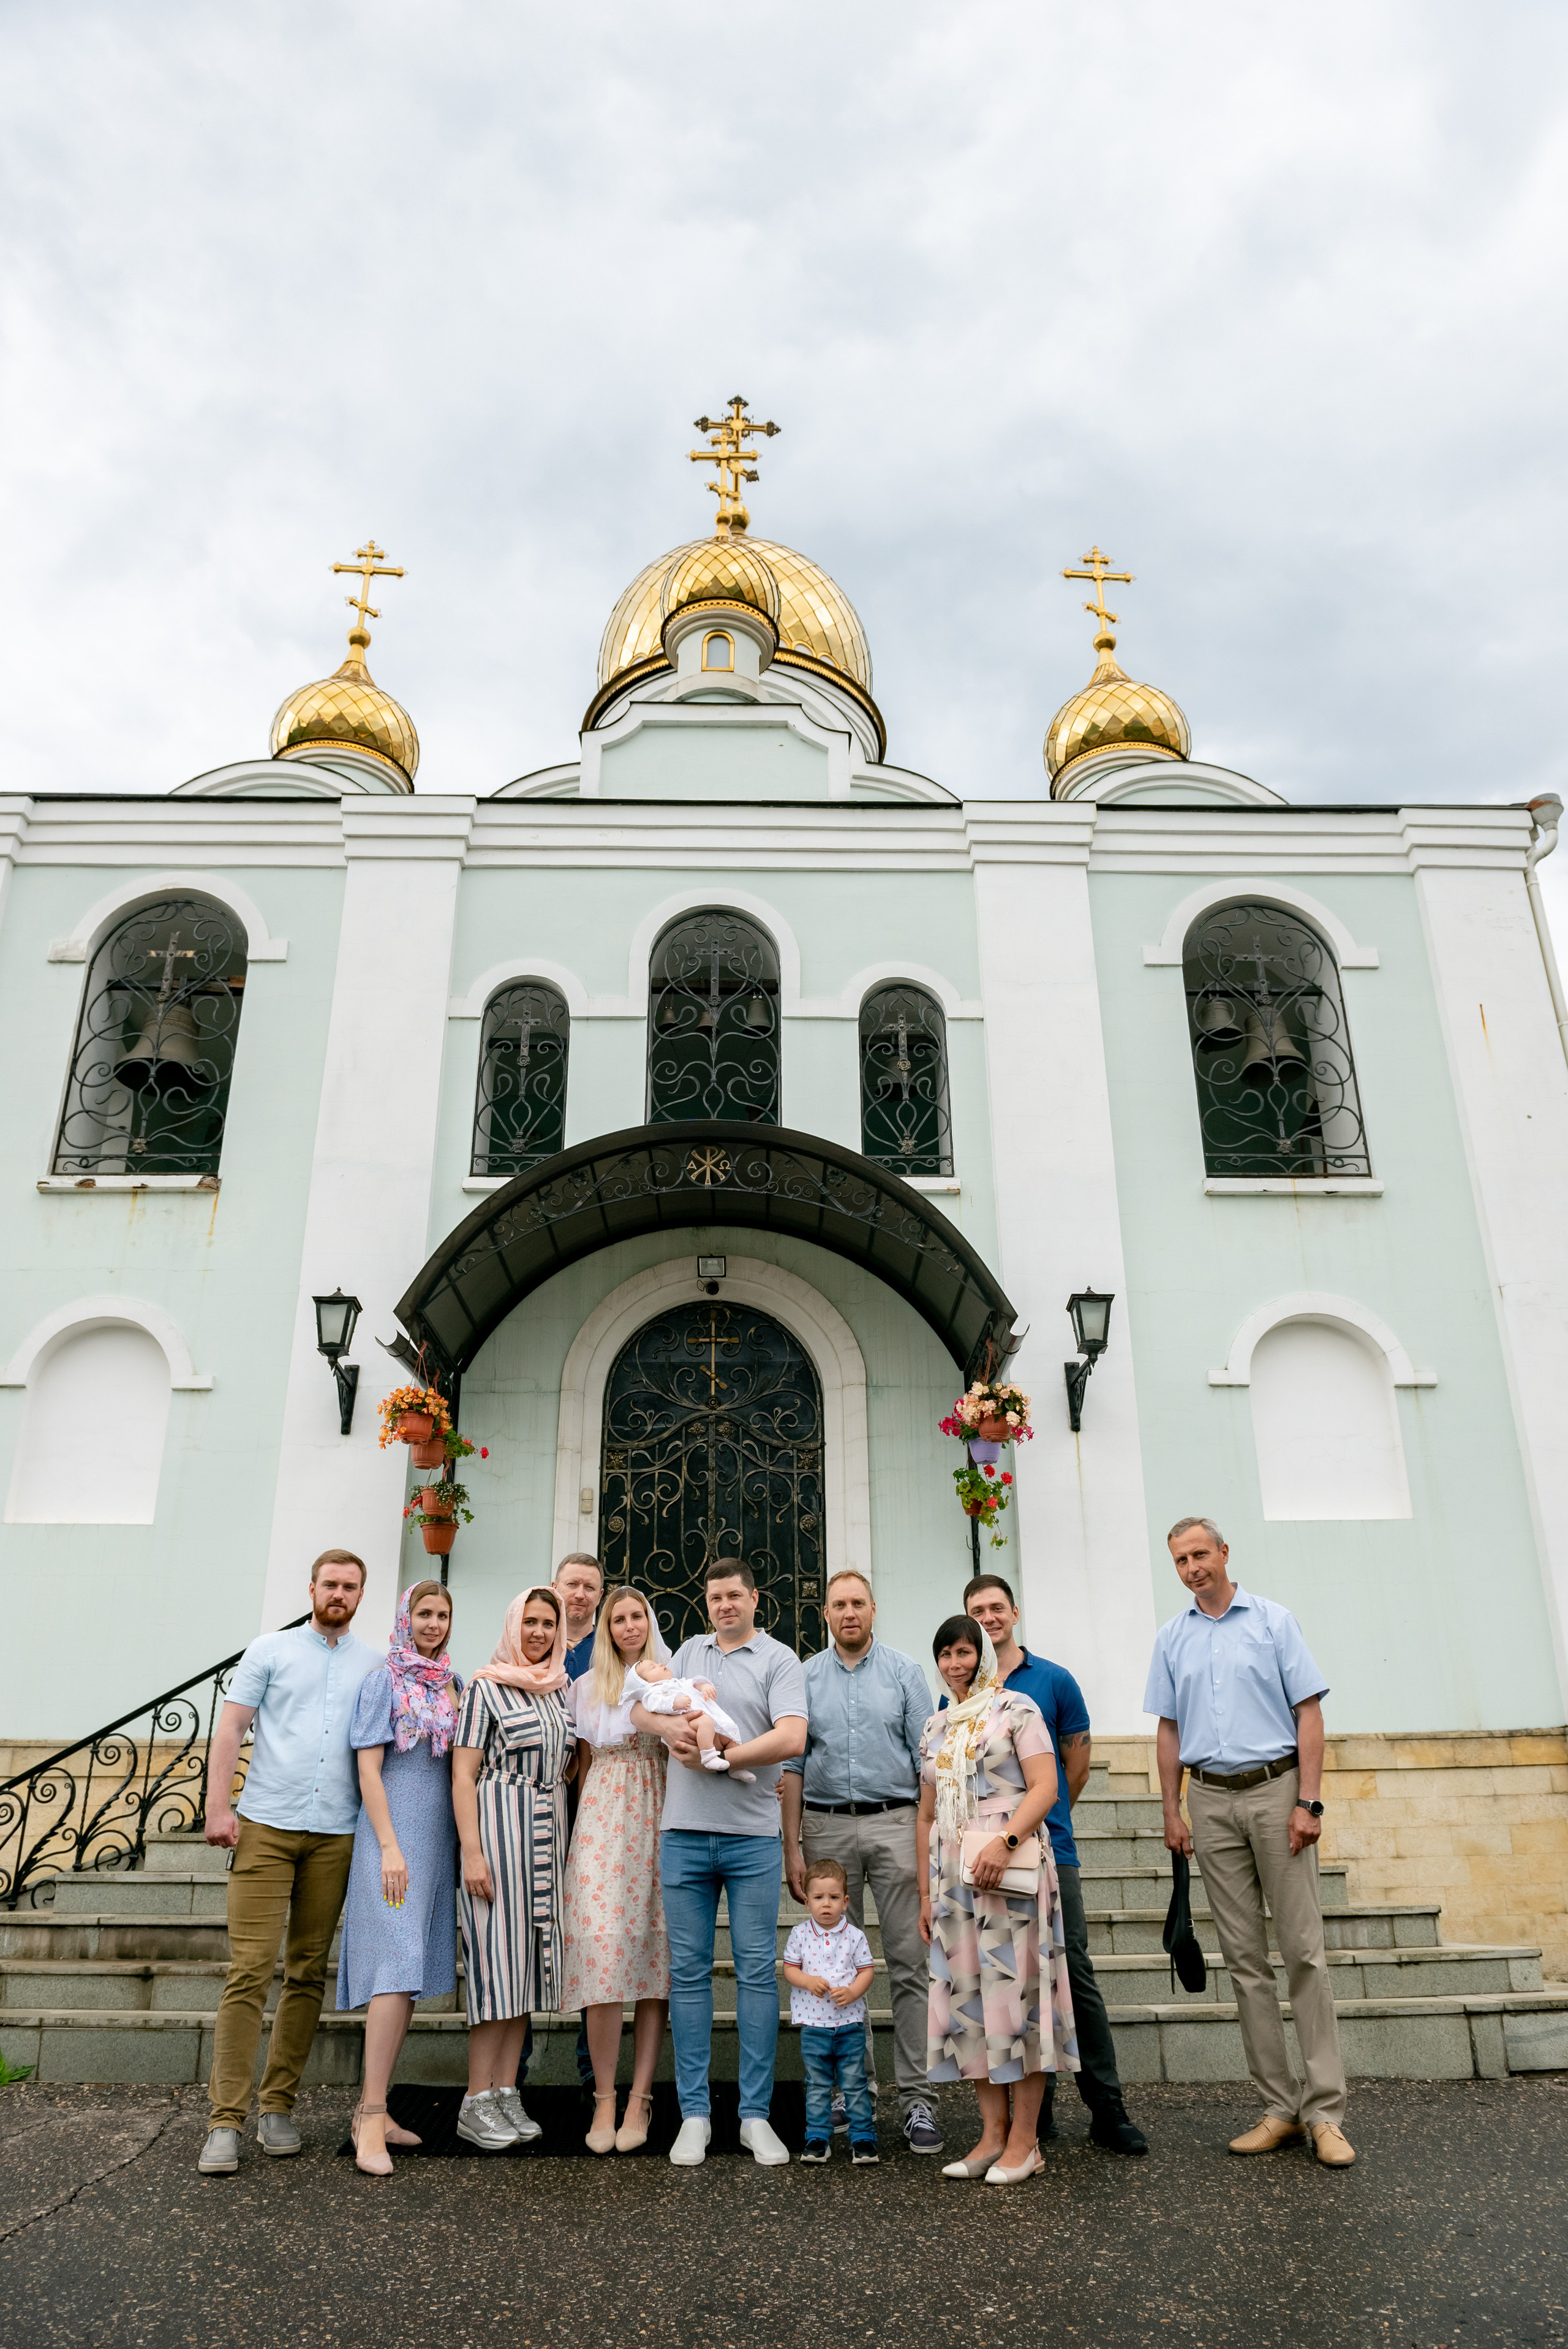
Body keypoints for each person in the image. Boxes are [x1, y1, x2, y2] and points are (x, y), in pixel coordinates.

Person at [1147, 1517, 1354, 2168]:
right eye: (1180, 1560)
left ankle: (1325, 2113)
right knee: (1243, 1961)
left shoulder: (1272, 1621)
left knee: (1302, 1954)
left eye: (1200, 1555)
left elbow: (1309, 1714)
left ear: (1224, 1553)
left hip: (1275, 1791)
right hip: (1208, 1802)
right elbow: (1167, 1729)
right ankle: (1279, 2109)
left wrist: (1307, 1801)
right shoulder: (1171, 1638)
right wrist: (1170, 1810)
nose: (1192, 1568)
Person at [198, 1550, 380, 2176]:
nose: (338, 1593)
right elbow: (230, 1730)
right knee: (249, 1970)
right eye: (329, 1584)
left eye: (349, 1586)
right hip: (266, 1828)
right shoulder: (268, 1651)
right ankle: (225, 2121)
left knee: (306, 1971)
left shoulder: (374, 1665)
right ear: (311, 1589)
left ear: (360, 1595)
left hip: (335, 1836)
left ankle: (278, 2106)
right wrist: (217, 1806)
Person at [959, 1573, 1147, 2157]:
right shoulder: (960, 1690)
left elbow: (1074, 1769)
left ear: (1014, 1612)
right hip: (984, 1862)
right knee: (1004, 1982)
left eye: (995, 1608)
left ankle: (1106, 2107)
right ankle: (1029, 2122)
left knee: (1072, 1974)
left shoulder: (1054, 1680)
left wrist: (1035, 1829)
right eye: (976, 1611)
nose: (988, 1618)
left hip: (1046, 1851)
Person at [633, 1558, 807, 2169]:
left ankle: (755, 2116)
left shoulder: (779, 1660)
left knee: (758, 1974)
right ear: (706, 1604)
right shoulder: (686, 1653)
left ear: (755, 1598)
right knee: (687, 1975)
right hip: (683, 1835)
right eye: (716, 1597)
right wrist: (673, 1736)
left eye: (735, 1595)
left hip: (751, 1838)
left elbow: (790, 1741)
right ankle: (695, 2117)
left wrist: (725, 1758)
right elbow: (643, 1710)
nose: (725, 1604)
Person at [781, 1568, 944, 2157]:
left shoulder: (904, 1672)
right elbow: (793, 1767)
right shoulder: (803, 1678)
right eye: (838, 1605)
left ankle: (917, 2098)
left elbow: (929, 1760)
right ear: (825, 1613)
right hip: (826, 1825)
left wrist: (927, 1843)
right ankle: (852, 2094)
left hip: (896, 1823)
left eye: (858, 1603)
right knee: (833, 1969)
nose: (848, 1613)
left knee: (907, 1962)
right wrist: (792, 1847)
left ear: (874, 1608)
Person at [917, 1613, 1079, 2187]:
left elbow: (1046, 1787)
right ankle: (990, 2135)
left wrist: (1007, 1843)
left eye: (965, 1652)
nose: (956, 1664)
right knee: (973, 2007)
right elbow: (928, 1813)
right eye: (946, 1655)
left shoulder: (1017, 1710)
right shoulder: (937, 1726)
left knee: (1018, 2004)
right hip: (954, 1879)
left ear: (983, 1653)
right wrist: (923, 1887)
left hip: (1010, 1869)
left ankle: (1026, 2141)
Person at [335, 1581, 464, 2176]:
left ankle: (378, 2108)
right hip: (393, 1840)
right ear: (405, 1619)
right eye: (423, 1614)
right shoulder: (383, 1680)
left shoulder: (453, 1684)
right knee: (393, 1966)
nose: (432, 1624)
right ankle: (368, 2115)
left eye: (441, 1615)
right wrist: (389, 1846)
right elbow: (368, 1769)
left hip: (437, 1840)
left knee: (408, 1974)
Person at [452, 1585, 575, 2151]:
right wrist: (472, 1851)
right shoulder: (486, 1688)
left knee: (525, 1968)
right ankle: (476, 2099)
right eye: (530, 1622)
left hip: (547, 1835)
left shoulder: (560, 1691)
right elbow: (462, 1775)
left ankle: (506, 2091)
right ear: (513, 1625)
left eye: (549, 1624)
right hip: (499, 1834)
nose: (539, 1633)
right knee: (496, 1967)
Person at [561, 1586, 671, 2154]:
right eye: (618, 1618)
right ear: (605, 1628)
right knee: (601, 1954)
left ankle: (641, 2098)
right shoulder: (583, 1688)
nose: (629, 1626)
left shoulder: (667, 1677)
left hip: (658, 1815)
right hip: (603, 1822)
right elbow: (575, 1768)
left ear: (649, 1623)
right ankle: (604, 2096)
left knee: (656, 1961)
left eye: (638, 1617)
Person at [783, 1857, 878, 2165]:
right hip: (814, 2026)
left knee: (855, 2082)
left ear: (846, 1901)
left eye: (834, 1897)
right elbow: (789, 1969)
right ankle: (817, 2138)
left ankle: (863, 2139)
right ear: (807, 1901)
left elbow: (866, 1972)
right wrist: (808, 1981)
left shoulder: (855, 1937)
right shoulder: (800, 1935)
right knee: (817, 2085)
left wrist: (852, 1992)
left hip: (849, 2023)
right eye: (819, 1897)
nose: (826, 1905)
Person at [623, 1655, 754, 1777]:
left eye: (656, 1663)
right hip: (691, 1723)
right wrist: (675, 1703)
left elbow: (693, 1683)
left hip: (707, 1720)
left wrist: (704, 1687)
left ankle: (735, 1768)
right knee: (705, 1722)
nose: (660, 1664)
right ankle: (708, 1756)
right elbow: (656, 1705)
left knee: (730, 1735)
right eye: (653, 1667)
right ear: (645, 1683)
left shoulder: (677, 1683)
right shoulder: (653, 1693)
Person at [556, 1552, 605, 1681]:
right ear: (554, 1589)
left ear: (600, 1596)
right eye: (572, 1584)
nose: (580, 1595)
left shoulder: (611, 1646)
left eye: (589, 1587)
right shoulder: (539, 1642)